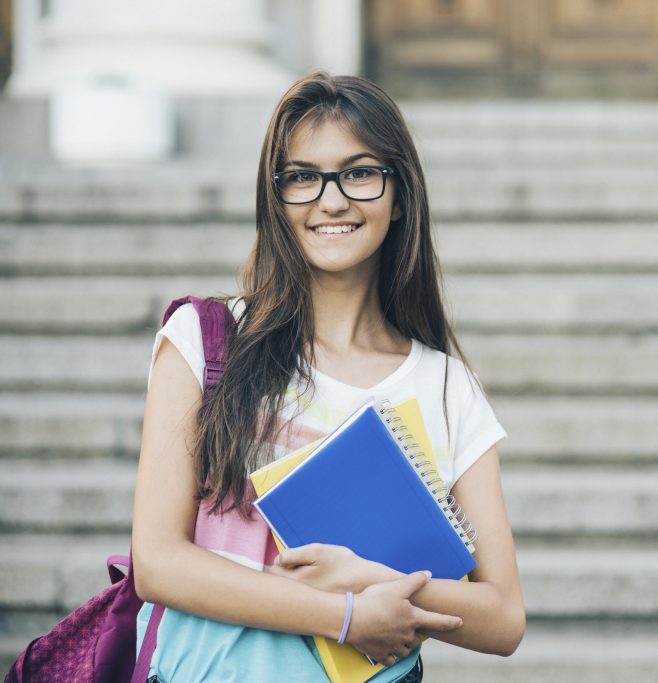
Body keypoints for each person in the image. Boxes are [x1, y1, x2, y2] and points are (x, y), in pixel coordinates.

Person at [131, 72, 525, 682]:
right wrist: (342, 615)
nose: (332, 200)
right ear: (276, 198)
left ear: (400, 196)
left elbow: (502, 616)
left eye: (360, 172)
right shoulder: (205, 341)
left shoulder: (446, 387)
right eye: (303, 177)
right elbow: (157, 562)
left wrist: (365, 578)